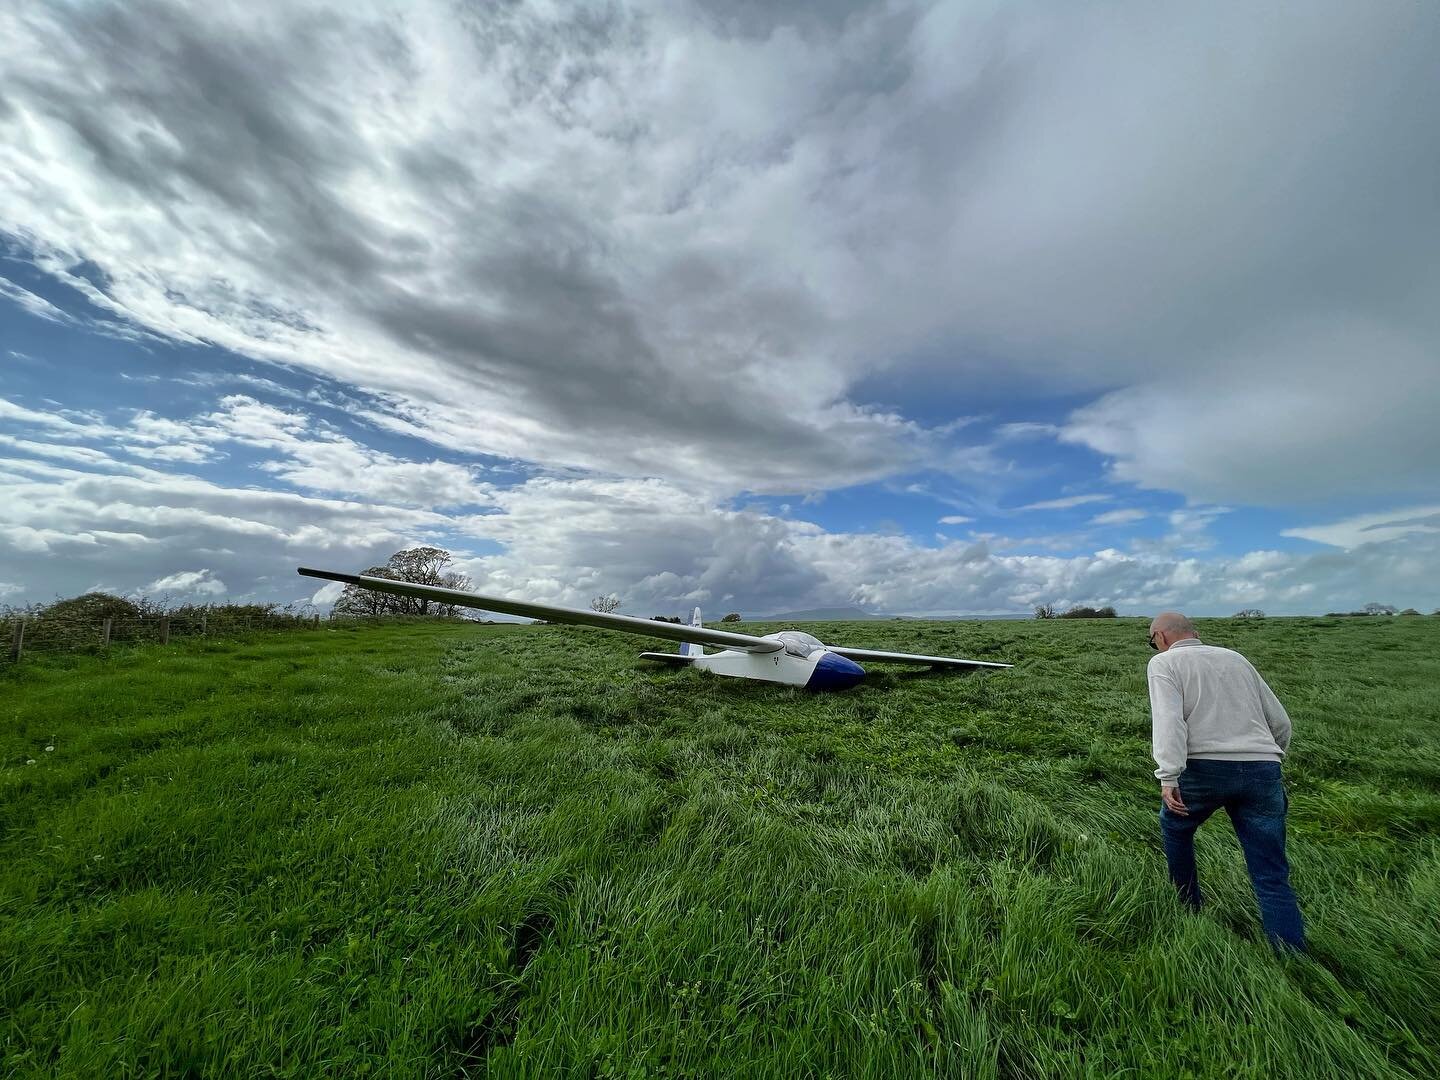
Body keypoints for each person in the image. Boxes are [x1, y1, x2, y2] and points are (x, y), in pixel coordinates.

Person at [1147, 611, 1306, 952]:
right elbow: (1280, 721)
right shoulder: (1236, 659)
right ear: (1196, 633)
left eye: (1152, 641)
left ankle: (1188, 909)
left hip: (1204, 769)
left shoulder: (1163, 664)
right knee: (1270, 871)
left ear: (1160, 637)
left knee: (1176, 828)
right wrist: (1271, 758)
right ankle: (1293, 956)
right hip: (1263, 766)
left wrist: (1169, 775)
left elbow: (1169, 722)